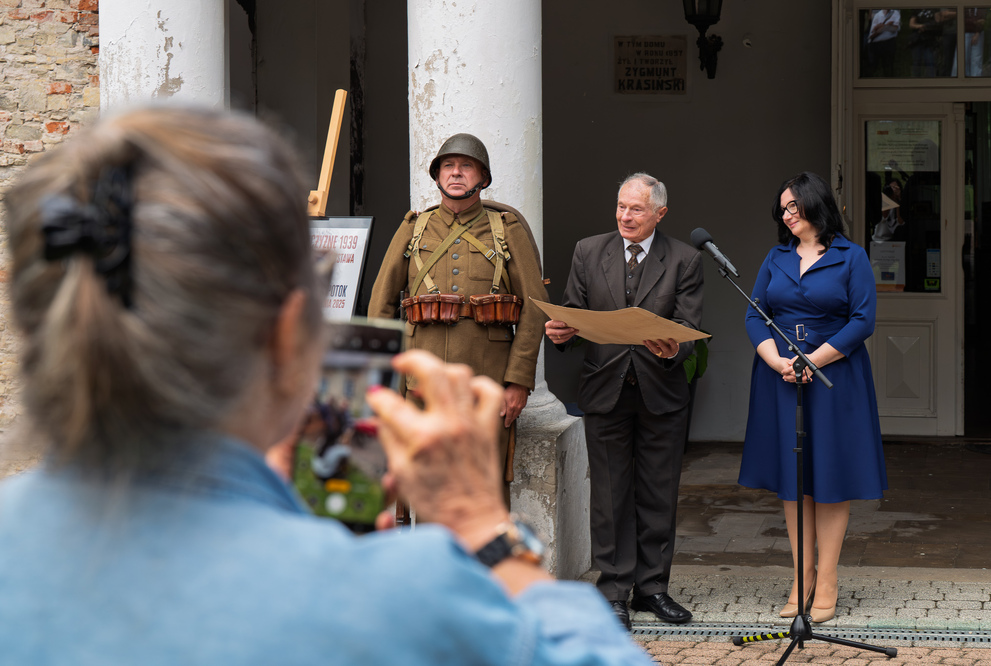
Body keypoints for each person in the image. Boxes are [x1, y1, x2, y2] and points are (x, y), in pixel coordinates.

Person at [0, 106, 654, 665]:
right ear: (290, 333)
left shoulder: (505, 226)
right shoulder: (391, 590)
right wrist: (489, 533)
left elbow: (528, 307)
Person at [544, 173, 703, 631]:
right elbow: (573, 311)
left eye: (635, 209)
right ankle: (612, 590)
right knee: (610, 496)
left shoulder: (686, 260)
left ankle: (652, 588)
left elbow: (689, 327)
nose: (625, 216)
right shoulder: (588, 251)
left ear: (660, 213)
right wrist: (560, 334)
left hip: (662, 391)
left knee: (658, 493)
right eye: (620, 206)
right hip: (604, 388)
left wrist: (676, 347)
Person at [738, 172, 887, 624]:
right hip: (780, 377)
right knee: (794, 477)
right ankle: (800, 577)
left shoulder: (851, 256)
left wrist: (812, 361)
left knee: (829, 478)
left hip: (834, 378)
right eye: (782, 209)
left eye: (793, 207)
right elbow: (754, 315)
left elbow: (862, 321)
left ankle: (827, 579)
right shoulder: (775, 256)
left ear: (815, 206)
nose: (787, 215)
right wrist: (776, 360)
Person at [367, 133, 547, 496]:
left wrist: (518, 382)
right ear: (437, 176)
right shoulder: (414, 228)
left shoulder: (506, 230)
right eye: (448, 166)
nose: (456, 173)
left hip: (487, 385)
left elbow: (535, 308)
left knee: (484, 488)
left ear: (483, 178)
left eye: (466, 166)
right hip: (422, 386)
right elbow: (381, 306)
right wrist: (383, 381)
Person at [865, 9, 901, 77]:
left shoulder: (895, 12)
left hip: (889, 43)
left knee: (888, 68)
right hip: (875, 44)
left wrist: (883, 27)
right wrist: (886, 26)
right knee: (872, 67)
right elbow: (874, 31)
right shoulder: (878, 15)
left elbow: (895, 29)